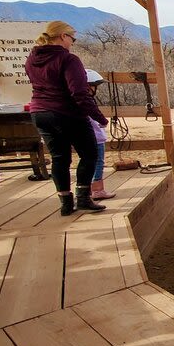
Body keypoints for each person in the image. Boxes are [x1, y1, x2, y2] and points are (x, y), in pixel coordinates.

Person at [25, 20, 107, 216]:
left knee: (59, 158)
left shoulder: (32, 59)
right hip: (66, 113)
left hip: (39, 113)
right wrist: (98, 117)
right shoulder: (68, 60)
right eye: (72, 38)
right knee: (89, 154)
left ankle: (65, 202)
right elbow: (79, 93)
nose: (72, 42)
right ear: (63, 36)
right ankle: (84, 198)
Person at [84, 69, 116, 200]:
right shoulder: (87, 102)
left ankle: (88, 188)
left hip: (88, 137)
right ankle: (97, 189)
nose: (95, 89)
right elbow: (95, 119)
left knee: (88, 162)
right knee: (98, 162)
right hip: (96, 137)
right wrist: (103, 122)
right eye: (93, 86)